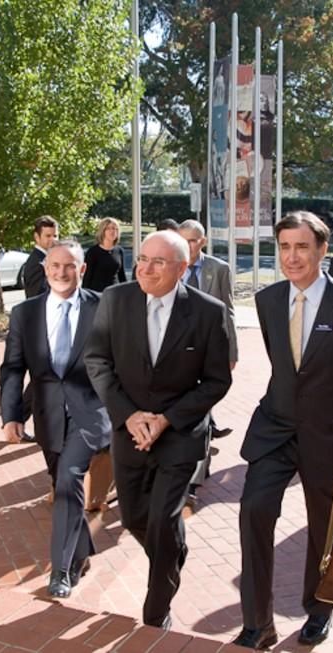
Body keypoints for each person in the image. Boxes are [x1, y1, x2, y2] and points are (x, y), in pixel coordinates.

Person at [85, 231, 232, 628]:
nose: (145, 269)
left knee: (163, 520)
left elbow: (217, 382)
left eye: (159, 262)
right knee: (135, 517)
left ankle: (156, 612)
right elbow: (97, 360)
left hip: (180, 435)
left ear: (183, 269)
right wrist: (129, 416)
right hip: (128, 431)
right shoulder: (115, 301)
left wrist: (167, 419)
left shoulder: (207, 312)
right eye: (142, 259)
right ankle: (173, 553)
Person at [233, 211, 333, 649]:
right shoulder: (268, 301)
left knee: (323, 525)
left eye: (302, 247)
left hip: (330, 432)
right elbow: (284, 367)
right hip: (275, 428)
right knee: (254, 508)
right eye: (284, 247)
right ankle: (257, 622)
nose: (292, 257)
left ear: (323, 250)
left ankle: (319, 607)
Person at [0, 240, 111, 599]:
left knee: (68, 480)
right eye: (54, 266)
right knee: (63, 482)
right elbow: (13, 368)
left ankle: (61, 571)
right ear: (45, 270)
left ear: (82, 269)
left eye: (70, 266)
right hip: (48, 416)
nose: (61, 272)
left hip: (91, 412)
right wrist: (11, 415)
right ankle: (82, 551)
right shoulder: (25, 314)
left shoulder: (103, 307)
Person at [176, 220, 237, 509]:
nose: (187, 246)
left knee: (201, 414)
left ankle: (192, 482)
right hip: (176, 355)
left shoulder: (218, 269)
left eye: (192, 241)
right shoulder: (170, 267)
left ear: (203, 241)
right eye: (182, 240)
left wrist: (231, 351)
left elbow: (228, 312)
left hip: (209, 353)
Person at [82, 217, 127, 292]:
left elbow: (122, 275)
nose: (113, 231)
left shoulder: (119, 251)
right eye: (109, 228)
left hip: (114, 293)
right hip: (96, 294)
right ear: (102, 231)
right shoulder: (93, 252)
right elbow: (87, 277)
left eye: (116, 229)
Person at [22, 215, 60, 298]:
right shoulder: (36, 264)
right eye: (48, 236)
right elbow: (37, 298)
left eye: (55, 236)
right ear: (37, 237)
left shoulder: (47, 259)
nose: (53, 240)